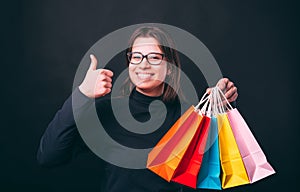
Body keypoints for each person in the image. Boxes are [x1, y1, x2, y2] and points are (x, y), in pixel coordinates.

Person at [37, 26, 238, 192]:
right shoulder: (108, 111)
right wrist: (81, 94)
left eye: (154, 57)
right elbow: (49, 156)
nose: (143, 65)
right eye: (136, 57)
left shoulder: (189, 115)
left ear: (169, 67)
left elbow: (218, 172)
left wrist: (219, 108)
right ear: (129, 62)